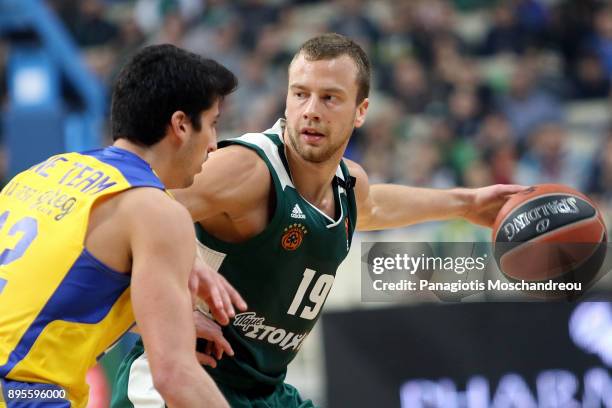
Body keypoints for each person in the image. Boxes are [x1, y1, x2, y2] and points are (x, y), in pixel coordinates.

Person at [112, 34, 524, 407]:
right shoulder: (247, 169)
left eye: (330, 98)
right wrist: (173, 299)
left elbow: (376, 206)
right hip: (185, 382)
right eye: (300, 94)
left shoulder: (347, 185)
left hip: (263, 390)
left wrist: (466, 203)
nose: (310, 110)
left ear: (360, 111)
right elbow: (134, 214)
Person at [0, 44, 243, 408]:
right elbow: (175, 376)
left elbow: (54, 298)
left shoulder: (43, 172)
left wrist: (163, 321)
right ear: (180, 125)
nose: (213, 144)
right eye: (212, 125)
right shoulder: (155, 210)